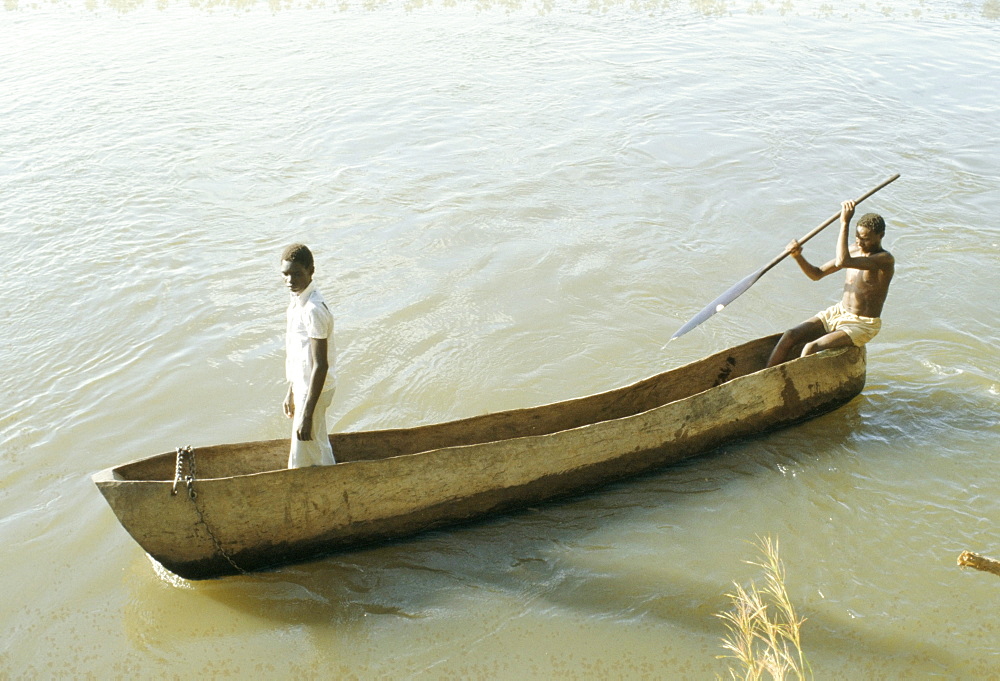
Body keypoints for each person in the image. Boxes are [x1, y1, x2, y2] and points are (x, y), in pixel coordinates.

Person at [766, 200, 894, 367]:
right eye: (858, 237)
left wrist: (844, 222)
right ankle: (767, 374)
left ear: (881, 235)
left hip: (863, 324)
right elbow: (816, 274)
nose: (860, 243)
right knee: (790, 335)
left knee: (811, 348)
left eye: (865, 239)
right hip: (839, 311)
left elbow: (842, 261)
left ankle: (796, 387)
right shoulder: (853, 249)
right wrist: (797, 256)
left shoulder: (884, 260)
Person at [281, 243, 336, 467]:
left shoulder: (313, 309)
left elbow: (321, 365)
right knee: (315, 442)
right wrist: (291, 391)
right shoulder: (297, 303)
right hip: (303, 386)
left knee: (303, 448)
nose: (290, 281)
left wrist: (307, 415)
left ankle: (328, 481)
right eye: (285, 275)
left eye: (297, 274)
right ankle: (331, 479)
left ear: (311, 271)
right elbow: (298, 355)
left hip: (316, 388)